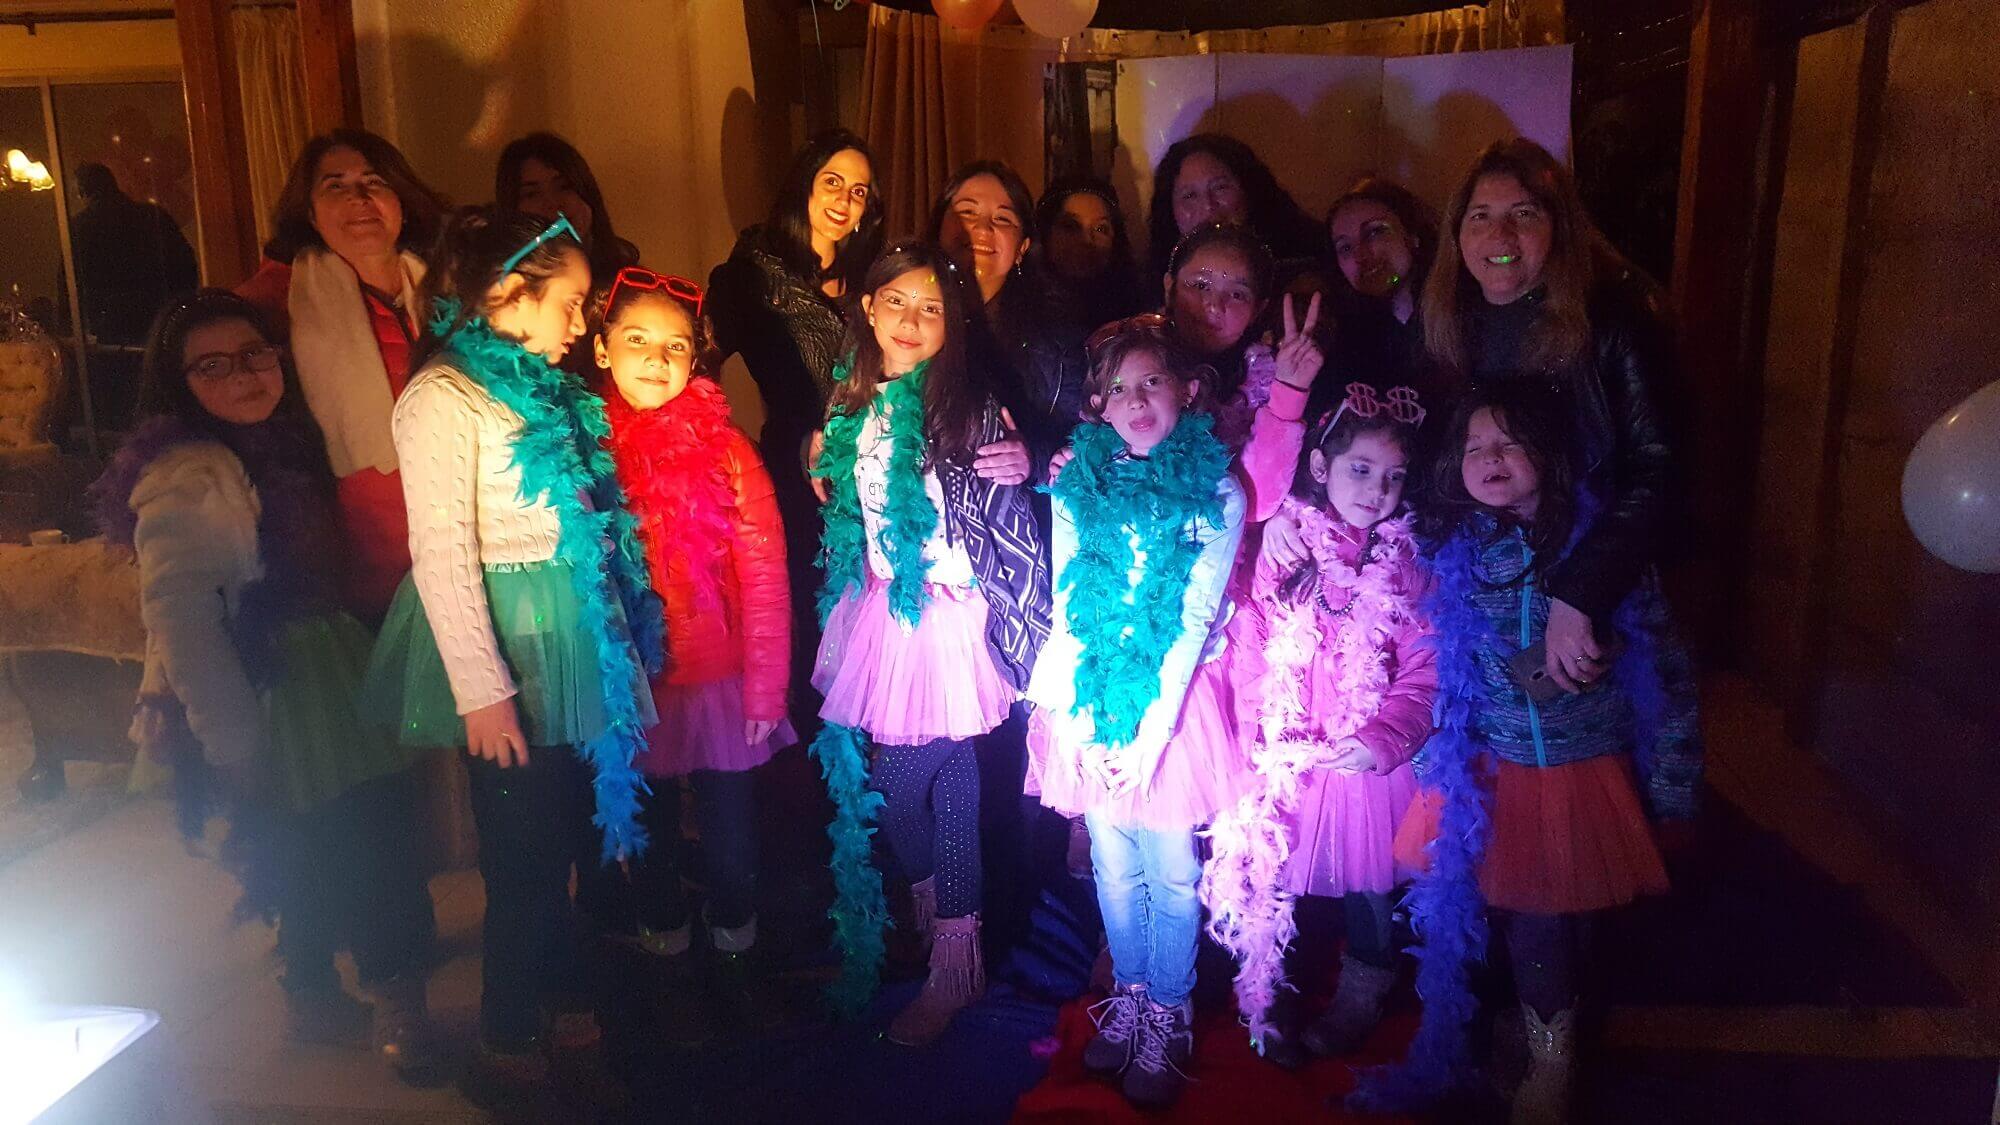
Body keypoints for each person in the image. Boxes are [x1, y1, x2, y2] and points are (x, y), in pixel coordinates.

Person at [91, 290, 441, 1084]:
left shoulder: (285, 442)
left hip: (329, 657)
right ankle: (388, 995)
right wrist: (232, 738)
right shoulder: (187, 477)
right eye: (212, 366)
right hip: (272, 684)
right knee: (353, 838)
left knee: (326, 839)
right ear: (179, 384)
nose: (244, 376)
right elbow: (179, 618)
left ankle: (321, 988)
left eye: (254, 354)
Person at [362, 208, 662, 1108]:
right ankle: (508, 1041)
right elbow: (442, 553)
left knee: (568, 839)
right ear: (505, 293)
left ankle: (571, 1017)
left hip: (570, 640)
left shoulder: (547, 388)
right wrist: (483, 692)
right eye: (569, 301)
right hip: (507, 649)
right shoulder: (442, 397)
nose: (581, 321)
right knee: (524, 856)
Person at [1362, 386, 1700, 1122]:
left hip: (1585, 770)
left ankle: (1551, 1040)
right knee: (1527, 919)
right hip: (1494, 770)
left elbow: (1667, 669)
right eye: (1476, 447)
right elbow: (1436, 663)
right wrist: (1428, 767)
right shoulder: (1455, 550)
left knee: (1571, 919)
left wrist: (1675, 783)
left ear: (1550, 454)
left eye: (1511, 443)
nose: (1492, 458)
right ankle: (1546, 1043)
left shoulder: (1603, 551)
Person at [806, 243, 1050, 1048]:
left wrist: (1027, 464)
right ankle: (953, 953)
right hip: (883, 611)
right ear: (867, 309)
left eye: (932, 308)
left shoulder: (968, 406)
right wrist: (820, 458)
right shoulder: (850, 403)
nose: (912, 321)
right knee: (950, 791)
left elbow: (1014, 500)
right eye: (897, 303)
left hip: (954, 618)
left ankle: (945, 937)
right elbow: (848, 494)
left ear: (954, 324)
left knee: (897, 782)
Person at [1023, 321, 1250, 1111]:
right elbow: (1069, 606)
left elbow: (1191, 621)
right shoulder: (1078, 485)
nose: (1136, 400)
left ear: (1187, 389)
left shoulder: (1219, 491)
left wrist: (1150, 739)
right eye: (1117, 388)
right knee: (1113, 862)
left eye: (1152, 381)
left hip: (1172, 711)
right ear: (1096, 406)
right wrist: (1077, 724)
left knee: (1172, 867)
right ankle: (1131, 990)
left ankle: (1171, 1010)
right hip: (1094, 695)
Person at [1202, 383, 1435, 1070]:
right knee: (1274, 872)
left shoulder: (1407, 566)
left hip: (1364, 766)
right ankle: (1267, 992)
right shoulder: (1283, 546)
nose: (1377, 490)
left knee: (1370, 888)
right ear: (1320, 467)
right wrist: (1253, 733)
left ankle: (1363, 991)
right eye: (1360, 469)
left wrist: (1384, 737)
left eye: (1394, 476)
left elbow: (1425, 668)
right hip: (1286, 754)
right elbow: (1246, 641)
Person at [1421, 137, 1678, 695]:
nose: (1500, 235)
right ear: (1457, 233)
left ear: (1559, 227)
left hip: (1597, 580)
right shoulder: (1450, 325)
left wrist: (1582, 591)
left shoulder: (1614, 321)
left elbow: (1659, 468)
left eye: (1523, 214)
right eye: (1480, 216)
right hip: (1487, 588)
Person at [593, 267, 790, 989]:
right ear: (602, 348)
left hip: (718, 682)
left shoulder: (730, 452)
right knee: (647, 843)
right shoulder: (585, 450)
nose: (657, 358)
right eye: (637, 340)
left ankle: (737, 951)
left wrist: (766, 689)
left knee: (732, 842)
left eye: (676, 345)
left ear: (697, 356)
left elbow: (765, 576)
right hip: (631, 687)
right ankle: (667, 953)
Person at [708, 129, 883, 731]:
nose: (844, 200)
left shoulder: (873, 275)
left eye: (858, 191)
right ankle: (823, 764)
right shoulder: (752, 274)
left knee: (872, 622)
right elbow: (700, 367)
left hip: (875, 473)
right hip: (797, 474)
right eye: (832, 182)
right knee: (815, 623)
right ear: (804, 184)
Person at [236, 129, 448, 623]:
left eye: (374, 182)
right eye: (335, 186)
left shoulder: (448, 285)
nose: (359, 198)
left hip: (458, 529)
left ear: (401, 201)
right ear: (310, 213)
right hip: (356, 556)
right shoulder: (278, 299)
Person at [930, 161, 1083, 480]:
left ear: (1022, 248)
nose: (983, 229)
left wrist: (1033, 458)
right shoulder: (901, 312)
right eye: (967, 212)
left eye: (1002, 219)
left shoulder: (1057, 338)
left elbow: (1084, 444)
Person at [69, 162, 199, 427]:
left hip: (111, 329)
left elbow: (70, 285)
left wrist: (74, 325)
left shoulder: (82, 226)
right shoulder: (153, 216)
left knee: (123, 406)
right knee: (164, 399)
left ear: (83, 191)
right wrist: (180, 310)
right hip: (161, 320)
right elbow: (186, 266)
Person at [1317, 176, 1440, 428]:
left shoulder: (1459, 311)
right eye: (1345, 247)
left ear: (1412, 235)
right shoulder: (1342, 339)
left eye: (1374, 232)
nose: (1361, 255)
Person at [1144, 133, 1328, 281]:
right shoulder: (1157, 283)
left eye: (1220, 188)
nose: (1208, 206)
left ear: (1249, 189)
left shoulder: (1304, 267)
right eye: (1190, 196)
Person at [496, 132, 641, 282]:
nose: (552, 202)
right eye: (532, 194)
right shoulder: (502, 286)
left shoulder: (626, 280)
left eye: (564, 187)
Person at [1035, 175, 1147, 343]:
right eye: (1070, 226)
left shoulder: (1136, 321)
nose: (1086, 240)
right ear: (1046, 234)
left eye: (1100, 229)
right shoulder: (1017, 314)